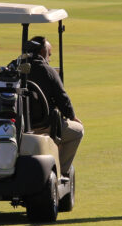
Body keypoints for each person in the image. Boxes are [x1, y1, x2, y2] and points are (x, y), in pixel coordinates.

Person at [24, 35, 84, 171]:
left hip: (19, 125)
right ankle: (60, 170)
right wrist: (72, 117)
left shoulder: (15, 67)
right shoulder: (49, 71)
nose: (49, 59)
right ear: (42, 52)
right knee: (78, 131)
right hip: (44, 125)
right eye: (49, 54)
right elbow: (62, 99)